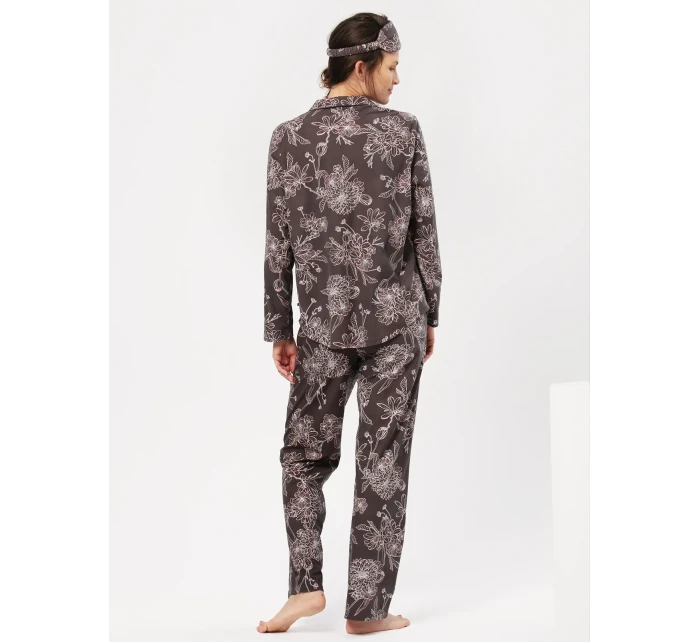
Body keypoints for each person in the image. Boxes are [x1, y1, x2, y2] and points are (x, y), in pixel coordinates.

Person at [259, 12, 443, 635]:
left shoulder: (288, 137)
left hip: (321, 325)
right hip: (396, 321)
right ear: (362, 67)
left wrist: (280, 326)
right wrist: (431, 309)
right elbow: (424, 229)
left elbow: (277, 242)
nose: (398, 79)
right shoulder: (403, 131)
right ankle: (366, 611)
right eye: (392, 67)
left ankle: (304, 587)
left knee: (302, 456)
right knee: (382, 459)